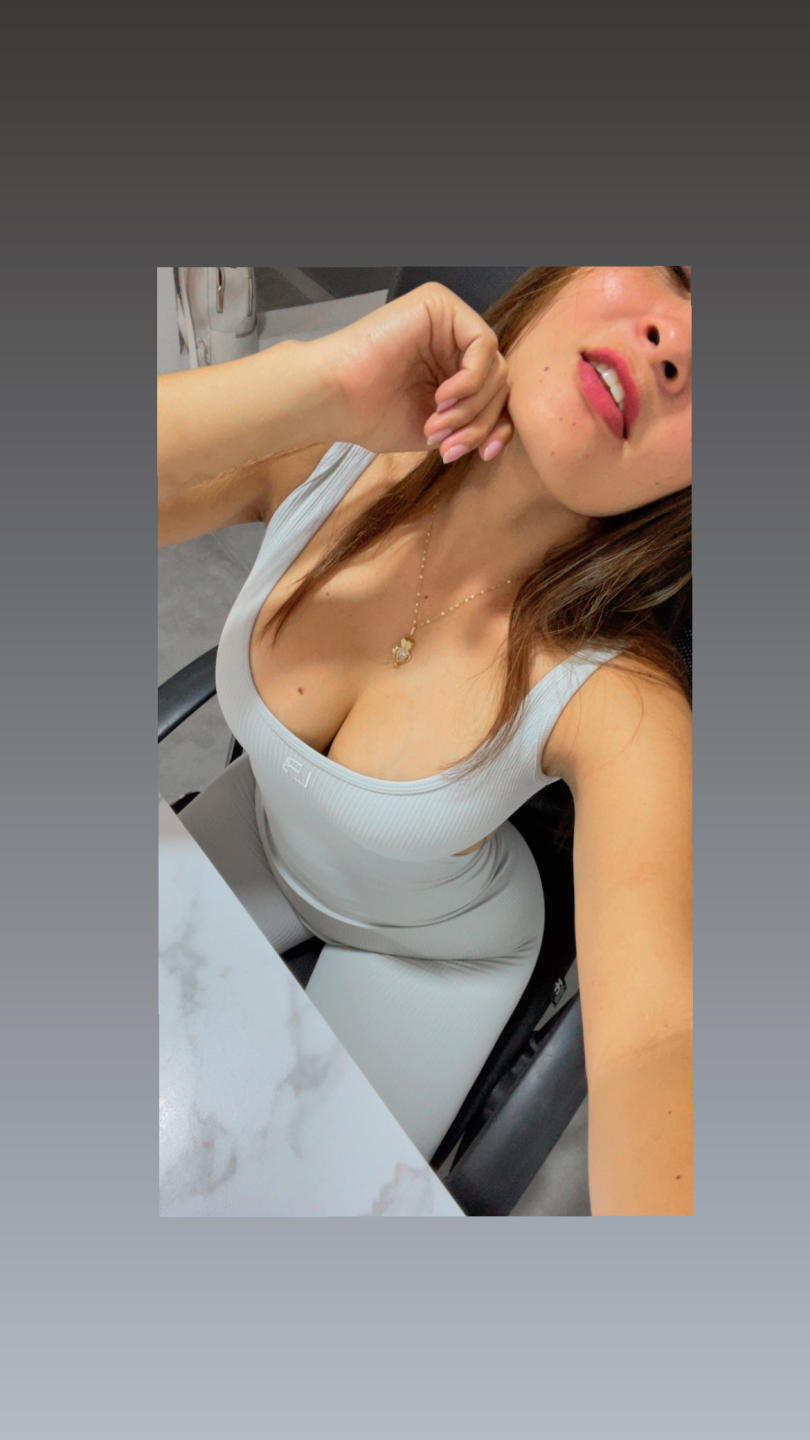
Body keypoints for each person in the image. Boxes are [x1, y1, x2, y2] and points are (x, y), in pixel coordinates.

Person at [157, 267, 693, 1215]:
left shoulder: (626, 702)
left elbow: (661, 1043)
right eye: (682, 271)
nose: (677, 344)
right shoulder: (323, 447)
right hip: (261, 830)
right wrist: (316, 382)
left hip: (437, 952)